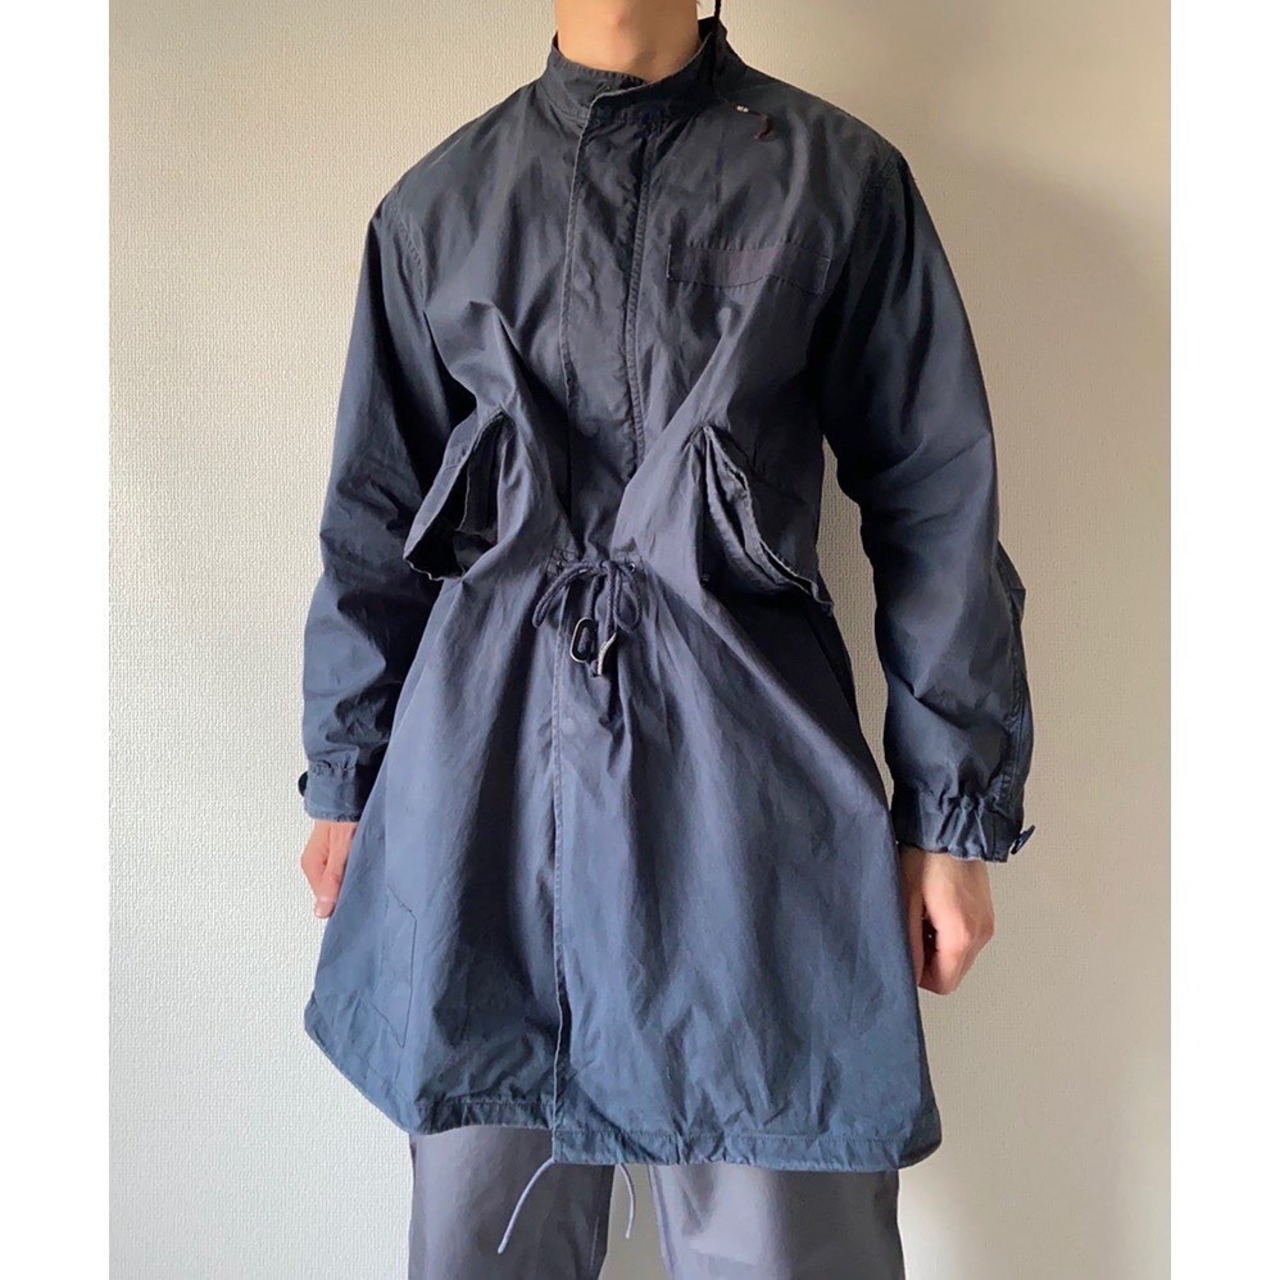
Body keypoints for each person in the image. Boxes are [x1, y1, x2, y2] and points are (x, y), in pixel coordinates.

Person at [297, 1, 1036, 1275]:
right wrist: (346, 776)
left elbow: (933, 500)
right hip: (481, 817)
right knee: (482, 1225)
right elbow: (373, 520)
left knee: (789, 1228)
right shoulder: (436, 207)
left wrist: (949, 812)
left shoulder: (833, 182)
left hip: (748, 816)